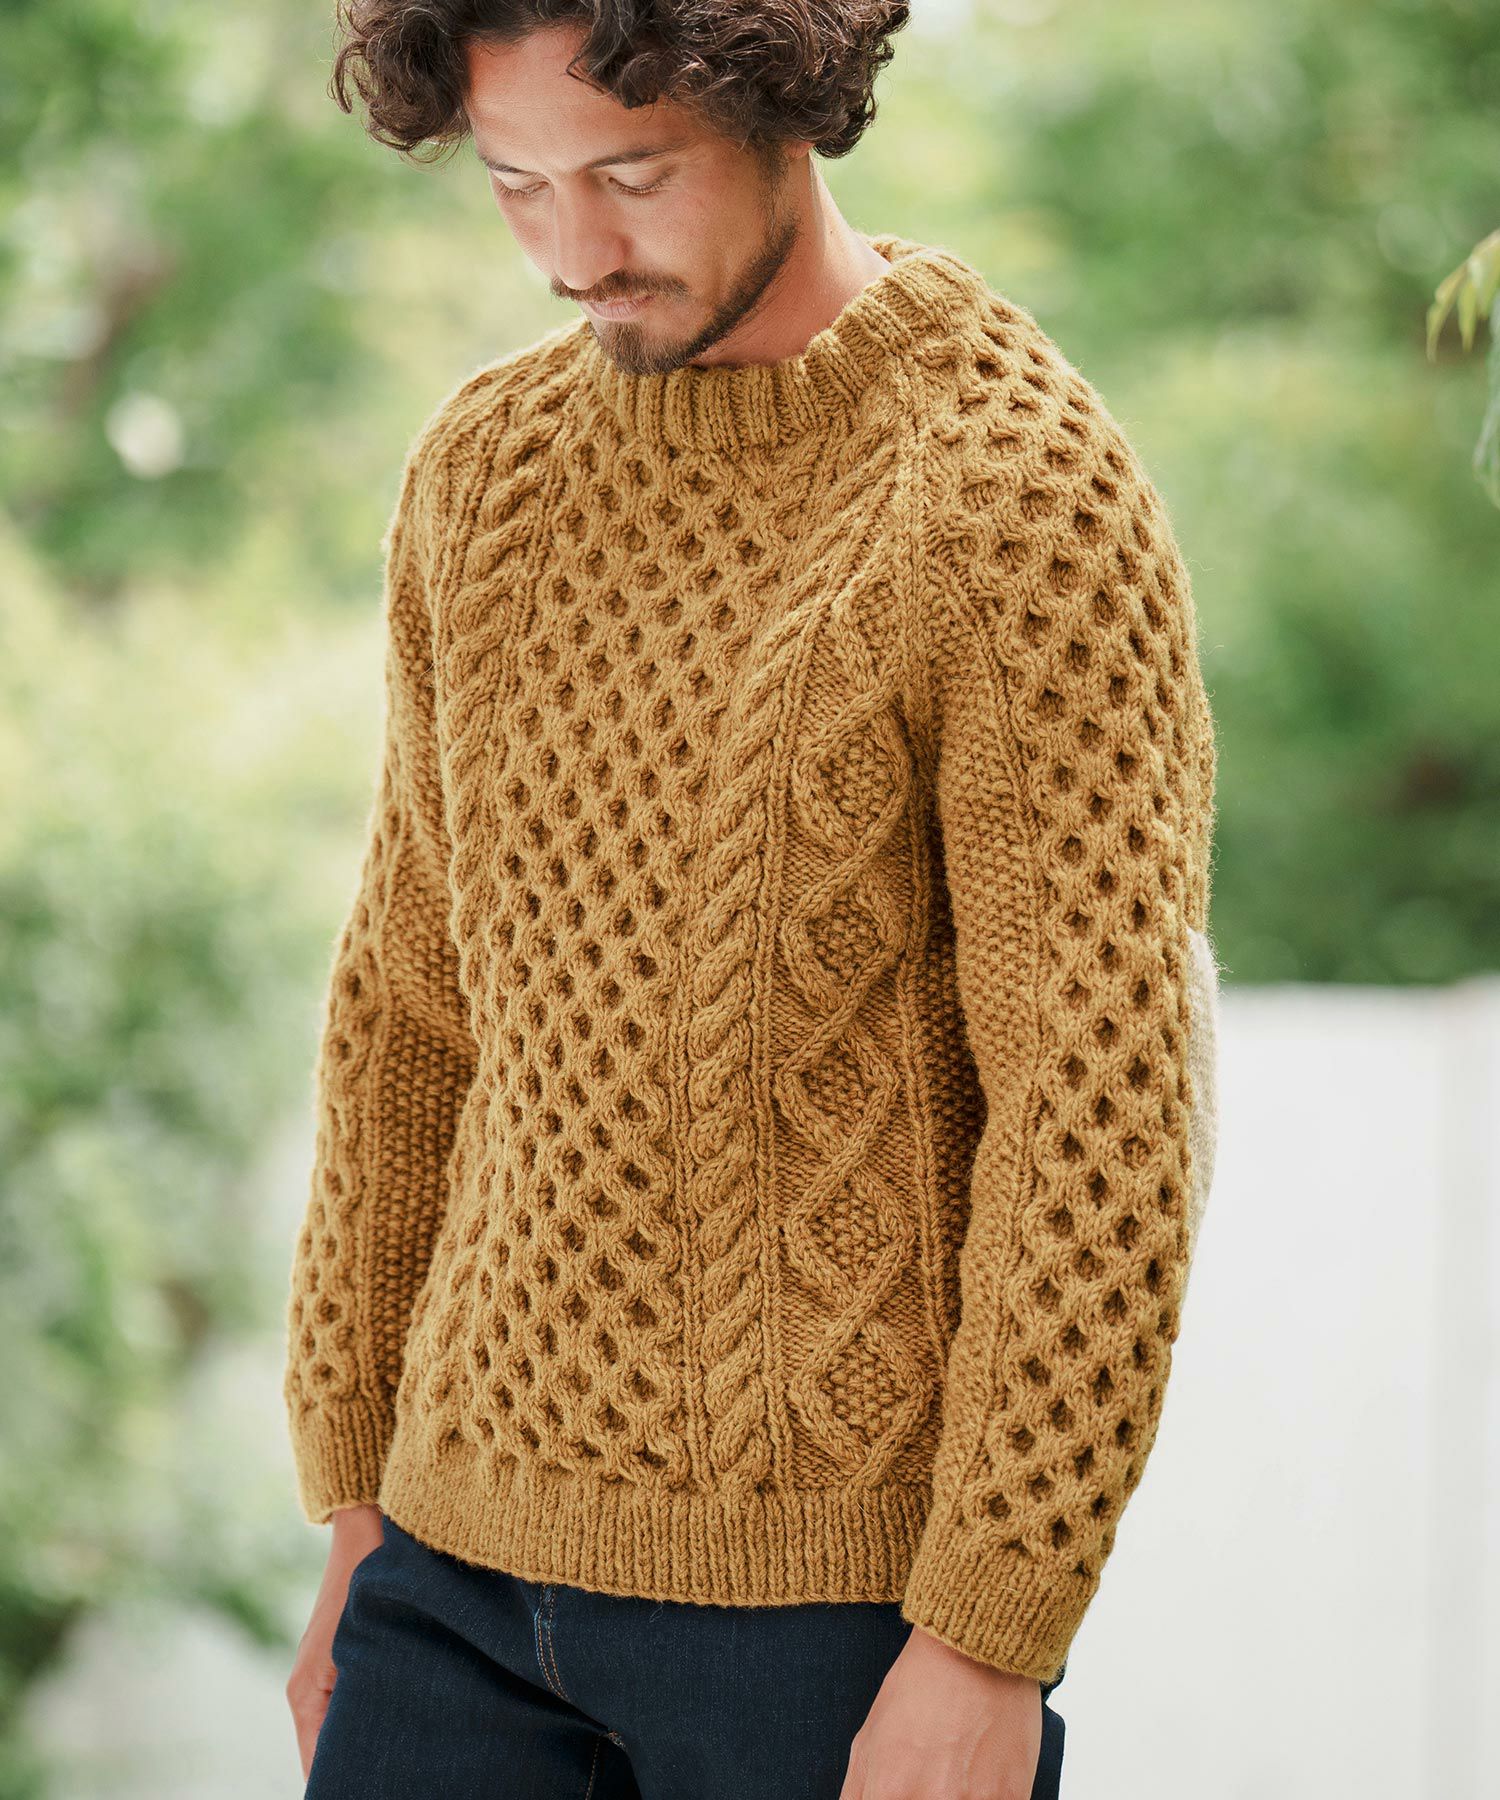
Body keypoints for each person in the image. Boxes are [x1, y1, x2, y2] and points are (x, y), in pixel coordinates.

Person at [281, 4, 1222, 1796]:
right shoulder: (482, 472)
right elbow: (408, 1007)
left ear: (776, 101)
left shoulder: (1013, 498)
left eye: (630, 176)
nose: (574, 251)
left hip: (834, 1629)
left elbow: (1101, 1109)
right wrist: (353, 1517)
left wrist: (989, 1637)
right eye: (517, 184)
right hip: (446, 1583)